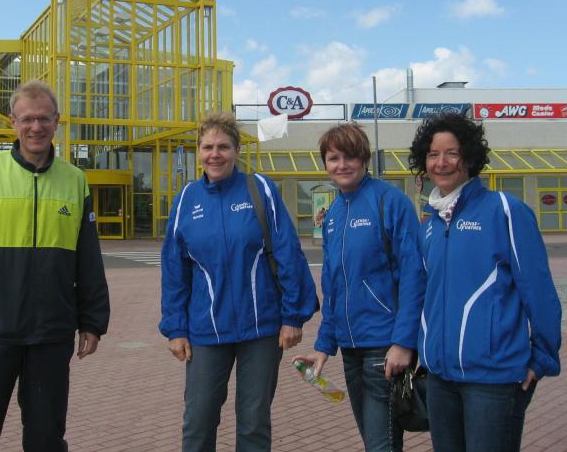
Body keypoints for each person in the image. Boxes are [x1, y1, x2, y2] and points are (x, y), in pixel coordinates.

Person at [0, 79, 110, 452]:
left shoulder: (75, 181)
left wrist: (92, 321)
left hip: (51, 333)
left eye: (44, 118)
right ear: (13, 122)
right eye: (27, 119)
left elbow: (88, 261)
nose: (36, 127)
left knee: (46, 438)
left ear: (57, 121)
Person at [159, 112, 318, 452]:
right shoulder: (186, 200)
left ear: (236, 150)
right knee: (198, 420)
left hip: (261, 329)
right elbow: (174, 271)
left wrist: (293, 316)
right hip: (206, 331)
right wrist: (175, 329)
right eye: (207, 147)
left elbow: (288, 252)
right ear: (198, 151)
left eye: (223, 147)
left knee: (254, 422)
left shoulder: (260, 189)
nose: (215, 154)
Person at [408, 112, 562, 452]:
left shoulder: (504, 210)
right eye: (433, 154)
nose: (441, 162)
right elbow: (420, 296)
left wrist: (542, 358)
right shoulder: (429, 226)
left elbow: (539, 291)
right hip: (439, 380)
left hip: (492, 381)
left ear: (469, 157)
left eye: (452, 153)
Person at [294, 123, 426, 452]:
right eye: (333, 158)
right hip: (350, 350)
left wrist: (404, 342)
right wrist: (323, 348)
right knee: (376, 442)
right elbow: (333, 287)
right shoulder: (333, 214)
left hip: (384, 346)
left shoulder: (390, 202)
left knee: (381, 444)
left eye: (350, 157)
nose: (342, 165)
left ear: (364, 159)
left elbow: (414, 276)